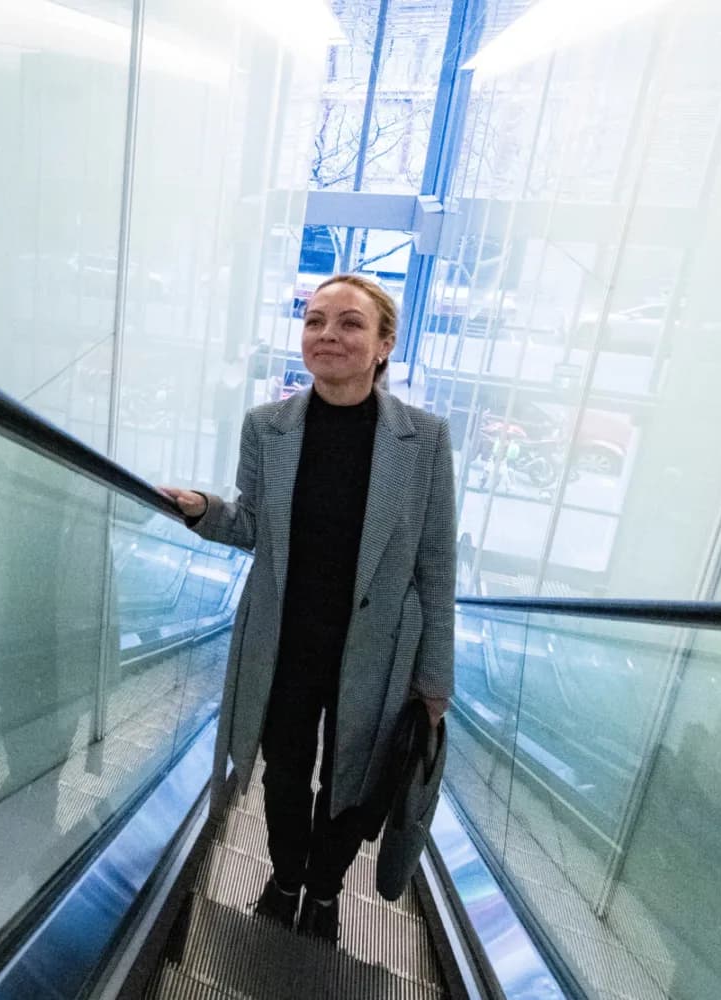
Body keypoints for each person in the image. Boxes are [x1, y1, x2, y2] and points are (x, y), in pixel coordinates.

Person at [160, 274, 457, 945]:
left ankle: (325, 890)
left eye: (349, 324)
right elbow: (252, 523)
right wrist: (206, 513)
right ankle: (286, 876)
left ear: (384, 344)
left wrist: (435, 678)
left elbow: (436, 566)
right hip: (286, 639)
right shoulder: (268, 428)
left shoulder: (424, 441)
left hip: (378, 648)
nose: (327, 336)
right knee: (285, 773)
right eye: (314, 320)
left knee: (351, 780)